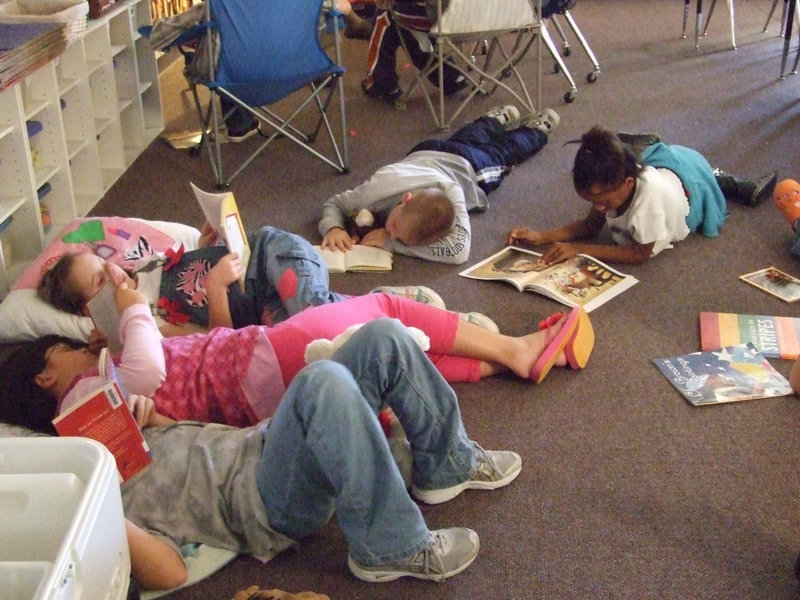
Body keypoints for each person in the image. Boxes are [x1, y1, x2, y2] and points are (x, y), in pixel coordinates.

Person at [3, 318, 524, 589]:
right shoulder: (86, 486)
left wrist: (154, 419)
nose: (83, 351)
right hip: (262, 502)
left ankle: (447, 461)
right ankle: (388, 547)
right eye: (67, 351)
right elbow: (169, 573)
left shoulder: (111, 427)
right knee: (322, 380)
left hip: (263, 445)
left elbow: (194, 442)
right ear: (44, 378)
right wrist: (101, 502)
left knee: (381, 338)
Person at [0, 270, 595, 433]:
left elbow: (171, 358)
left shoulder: (98, 388)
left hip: (254, 375)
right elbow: (152, 370)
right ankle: (517, 350)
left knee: (376, 350)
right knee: (384, 308)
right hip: (259, 364)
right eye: (65, 347)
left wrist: (135, 323)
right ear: (47, 372)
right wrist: (131, 311)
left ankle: (490, 362)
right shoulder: (79, 398)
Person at [319, 105, 559, 264]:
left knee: (501, 155)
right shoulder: (375, 190)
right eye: (393, 227)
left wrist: (392, 244)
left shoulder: (451, 195)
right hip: (429, 154)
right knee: (470, 140)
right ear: (406, 199)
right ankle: (498, 121)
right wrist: (333, 228)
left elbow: (459, 252)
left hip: (468, 167)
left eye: (397, 234)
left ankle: (530, 129)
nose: (389, 231)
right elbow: (335, 203)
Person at [506, 127, 779, 266]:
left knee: (711, 180)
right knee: (641, 156)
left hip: (689, 182)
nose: (598, 207)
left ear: (627, 184)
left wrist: (579, 249)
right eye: (592, 201)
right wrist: (541, 236)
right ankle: (641, 144)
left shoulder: (650, 200)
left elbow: (639, 254)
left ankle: (727, 182)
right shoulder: (608, 190)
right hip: (662, 167)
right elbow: (590, 226)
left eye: (602, 201)